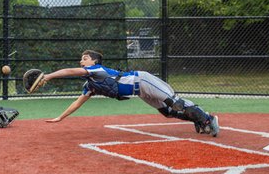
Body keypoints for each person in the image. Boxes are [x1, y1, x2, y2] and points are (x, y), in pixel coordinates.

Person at [42, 50, 219, 137]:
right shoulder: (90, 85)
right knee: (167, 112)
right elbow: (77, 103)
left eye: (85, 58)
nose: (82, 61)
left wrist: (48, 76)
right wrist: (61, 117)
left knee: (175, 103)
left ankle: (207, 119)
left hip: (141, 80)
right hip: (140, 92)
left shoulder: (97, 70)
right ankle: (198, 120)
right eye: (82, 59)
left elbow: (69, 71)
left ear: (94, 61)